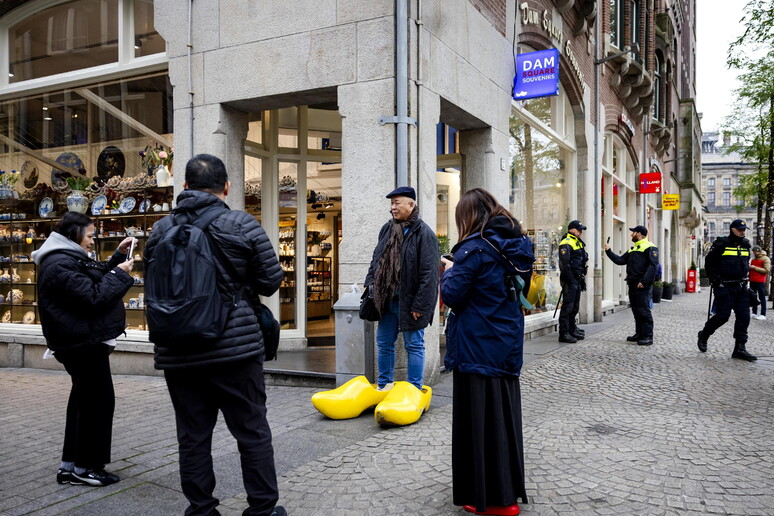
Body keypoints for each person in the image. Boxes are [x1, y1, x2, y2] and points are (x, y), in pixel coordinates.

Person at [144, 154, 286, 516]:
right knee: (251, 430)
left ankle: (202, 509)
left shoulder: (160, 230)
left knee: (192, 437)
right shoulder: (240, 223)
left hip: (178, 351)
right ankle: (262, 509)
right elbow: (271, 280)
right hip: (234, 349)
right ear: (226, 187)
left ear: (185, 187)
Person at [440, 188, 534, 516]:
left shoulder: (473, 249)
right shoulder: (520, 245)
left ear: (468, 217)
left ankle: (488, 498)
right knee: (503, 417)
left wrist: (449, 269)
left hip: (477, 345)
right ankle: (505, 492)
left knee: (478, 422)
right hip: (505, 341)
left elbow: (453, 295)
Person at [32, 212, 135, 487]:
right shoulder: (59, 265)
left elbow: (91, 279)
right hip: (80, 344)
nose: (92, 241)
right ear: (74, 234)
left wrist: (115, 260)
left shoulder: (65, 258)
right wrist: (119, 274)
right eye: (90, 235)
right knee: (97, 404)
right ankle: (87, 467)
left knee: (84, 401)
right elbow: (93, 296)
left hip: (81, 342)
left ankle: (71, 466)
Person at [363, 186, 439, 391]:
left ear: (411, 204)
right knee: (384, 343)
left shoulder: (425, 234)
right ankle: (384, 385)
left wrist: (421, 305)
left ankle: (414, 388)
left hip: (410, 302)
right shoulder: (387, 228)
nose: (392, 207)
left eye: (397, 203)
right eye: (391, 203)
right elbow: (376, 259)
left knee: (414, 345)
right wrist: (370, 284)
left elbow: (429, 275)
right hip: (385, 299)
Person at [697, 219, 757, 361]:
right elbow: (709, 263)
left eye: (744, 230)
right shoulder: (721, 244)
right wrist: (715, 280)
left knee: (744, 317)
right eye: (740, 229)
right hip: (725, 285)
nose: (742, 232)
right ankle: (704, 334)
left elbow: (745, 262)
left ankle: (740, 348)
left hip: (741, 286)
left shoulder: (745, 244)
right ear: (732, 229)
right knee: (723, 316)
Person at [604, 225, 659, 346]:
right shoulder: (633, 249)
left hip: (642, 285)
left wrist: (644, 282)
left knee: (643, 310)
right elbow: (620, 260)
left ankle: (648, 336)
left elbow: (653, 266)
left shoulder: (650, 247)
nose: (631, 235)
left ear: (639, 234)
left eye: (633, 232)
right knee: (636, 310)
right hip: (633, 283)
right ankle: (639, 333)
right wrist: (608, 251)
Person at [557, 219, 588, 343]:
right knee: (567, 307)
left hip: (577, 278)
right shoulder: (566, 242)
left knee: (574, 307)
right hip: (570, 279)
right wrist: (569, 280)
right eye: (579, 230)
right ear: (572, 230)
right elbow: (564, 264)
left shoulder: (577, 242)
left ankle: (572, 329)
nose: (580, 232)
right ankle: (564, 333)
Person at [750, 245, 770, 320]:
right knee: (753, 297)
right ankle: (754, 312)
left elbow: (766, 270)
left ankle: (763, 314)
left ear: (758, 251)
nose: (754, 253)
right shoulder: (753, 259)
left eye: (755, 252)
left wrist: (754, 268)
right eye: (753, 252)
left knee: (762, 297)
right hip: (752, 280)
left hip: (760, 281)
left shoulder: (765, 259)